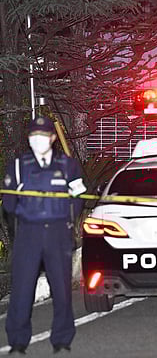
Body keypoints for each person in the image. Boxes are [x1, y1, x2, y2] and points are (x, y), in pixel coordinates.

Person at [2, 116, 87, 354]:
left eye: (43, 135)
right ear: (29, 139)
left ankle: (62, 338)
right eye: (33, 135)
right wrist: (24, 214)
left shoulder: (67, 165)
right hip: (29, 234)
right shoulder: (19, 165)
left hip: (58, 233)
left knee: (61, 288)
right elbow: (8, 202)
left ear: (52, 138)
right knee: (22, 289)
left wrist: (68, 220)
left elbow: (79, 196)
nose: (38, 139)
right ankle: (18, 340)